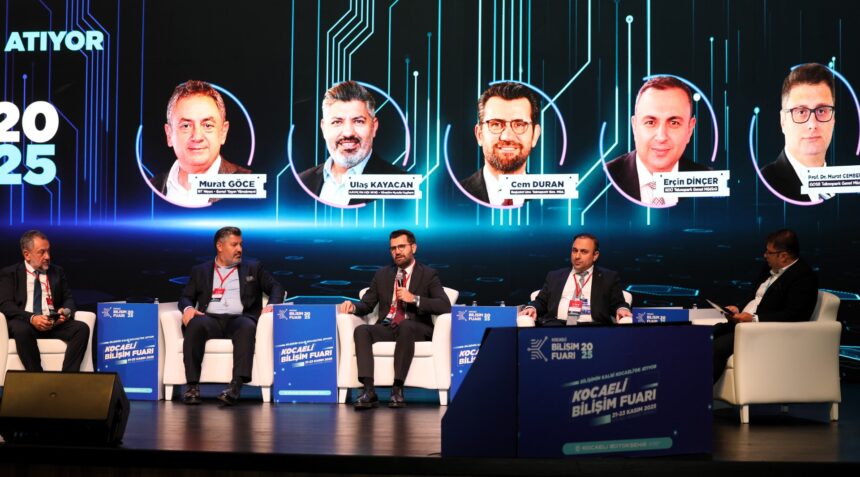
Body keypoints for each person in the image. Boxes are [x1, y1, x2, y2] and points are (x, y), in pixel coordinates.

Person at [337, 229, 451, 409]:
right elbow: (367, 304)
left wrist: (414, 299)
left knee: (405, 325)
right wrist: (353, 307)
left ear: (413, 248)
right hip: (389, 327)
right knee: (362, 330)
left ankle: (397, 389)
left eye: (401, 247)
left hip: (416, 328)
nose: (397, 252)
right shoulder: (382, 274)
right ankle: (369, 390)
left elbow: (444, 305)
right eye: (393, 248)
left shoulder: (428, 274)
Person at [178, 226, 284, 405]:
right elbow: (186, 297)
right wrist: (188, 308)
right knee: (195, 324)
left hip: (240, 319)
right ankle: (192, 387)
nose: (239, 249)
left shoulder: (253, 267)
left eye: (241, 244)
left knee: (246, 327)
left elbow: (276, 287)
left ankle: (235, 387)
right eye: (234, 245)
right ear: (220, 246)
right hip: (210, 319)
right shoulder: (201, 270)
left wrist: (272, 306)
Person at [712, 229, 818, 382]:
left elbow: (795, 315)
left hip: (765, 333)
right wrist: (738, 309)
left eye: (769, 252)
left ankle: (700, 394)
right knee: (704, 336)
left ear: (783, 256)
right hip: (744, 325)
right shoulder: (768, 268)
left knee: (717, 347)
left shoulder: (803, 277)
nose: (765, 255)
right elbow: (756, 298)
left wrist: (754, 319)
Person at [606, 76, 709, 206]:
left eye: (674, 123)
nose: (661, 137)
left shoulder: (710, 181)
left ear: (690, 129)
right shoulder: (604, 180)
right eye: (650, 122)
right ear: (634, 126)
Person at [299, 80, 404, 206]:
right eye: (337, 122)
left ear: (374, 127)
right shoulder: (302, 182)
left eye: (358, 121)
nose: (348, 133)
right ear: (324, 128)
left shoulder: (401, 184)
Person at [149, 80, 250, 207]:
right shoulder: (150, 189)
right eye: (186, 126)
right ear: (169, 135)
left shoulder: (249, 186)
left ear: (223, 132)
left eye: (207, 125)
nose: (197, 137)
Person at [0, 230, 89, 372]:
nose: (47, 256)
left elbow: (68, 299)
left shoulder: (57, 272)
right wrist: (32, 318)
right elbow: (6, 305)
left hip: (52, 323)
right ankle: (38, 378)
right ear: (27, 254)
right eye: (42, 252)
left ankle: (68, 378)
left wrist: (65, 312)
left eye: (48, 251)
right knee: (21, 330)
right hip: (25, 322)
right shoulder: (10, 273)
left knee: (81, 328)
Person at [521, 233, 632, 326]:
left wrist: (622, 309)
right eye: (574, 250)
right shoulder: (555, 276)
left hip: (594, 328)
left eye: (584, 252)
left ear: (595, 255)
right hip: (557, 327)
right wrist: (532, 307)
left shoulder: (608, 277)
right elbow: (541, 302)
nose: (577, 256)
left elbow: (618, 303)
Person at [761, 63, 836, 202]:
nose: (812, 124)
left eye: (821, 111)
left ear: (833, 119)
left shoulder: (849, 185)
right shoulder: (762, 185)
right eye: (801, 112)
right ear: (783, 121)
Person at [461, 82, 542, 206]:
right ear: (479, 134)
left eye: (519, 125)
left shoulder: (556, 200)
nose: (507, 137)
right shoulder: (452, 196)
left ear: (535, 135)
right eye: (496, 124)